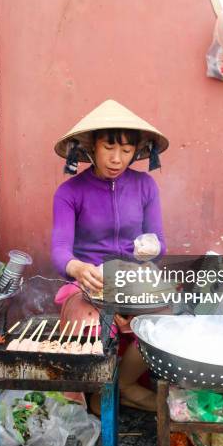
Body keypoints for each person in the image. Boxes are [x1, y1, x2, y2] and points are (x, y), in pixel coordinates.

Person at [51, 99, 169, 413]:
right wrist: (76, 267)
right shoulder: (69, 192)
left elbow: (160, 243)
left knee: (167, 316)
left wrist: (153, 249)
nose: (118, 159)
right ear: (92, 146)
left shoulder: (146, 186)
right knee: (90, 321)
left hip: (134, 279)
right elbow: (59, 250)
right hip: (90, 282)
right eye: (109, 148)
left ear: (137, 151)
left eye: (127, 150)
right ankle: (92, 393)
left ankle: (126, 385)